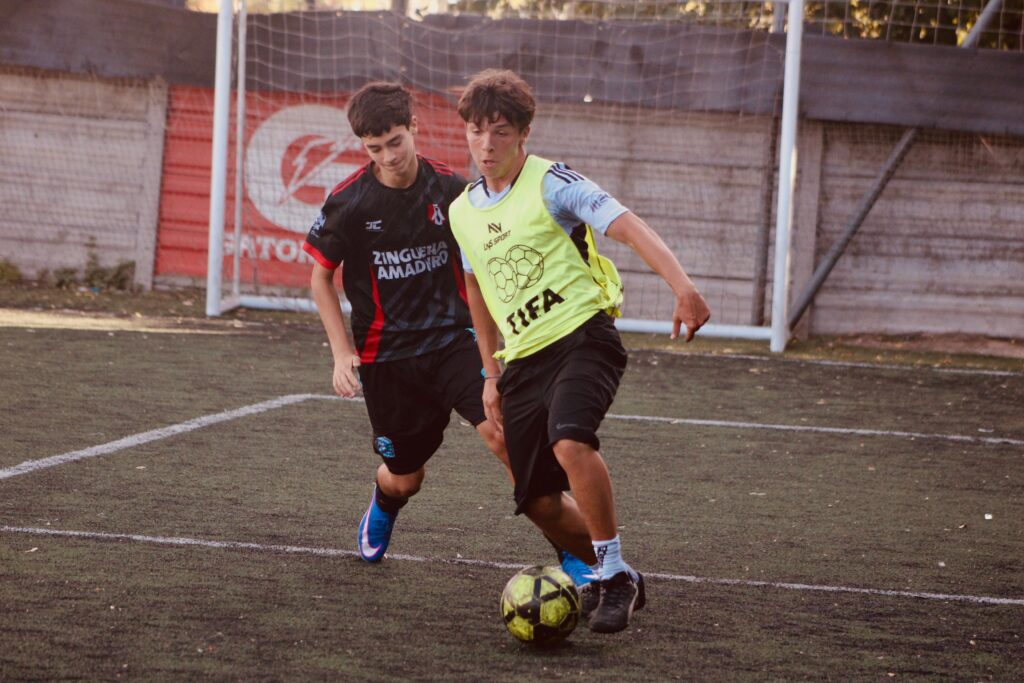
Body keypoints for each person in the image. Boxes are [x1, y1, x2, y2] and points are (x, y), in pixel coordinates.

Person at [449, 69, 711, 633]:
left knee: (570, 440)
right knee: (537, 501)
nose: (486, 145)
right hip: (522, 359)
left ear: (524, 133)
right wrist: (490, 374)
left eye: (500, 131)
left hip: (583, 337)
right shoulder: (462, 211)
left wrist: (683, 286)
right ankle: (618, 571)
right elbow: (476, 290)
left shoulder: (552, 183)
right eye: (476, 131)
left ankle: (612, 577)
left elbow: (627, 226)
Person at [302, 82, 596, 583]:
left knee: (506, 438)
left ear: (414, 127)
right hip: (387, 356)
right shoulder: (349, 202)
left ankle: (572, 548)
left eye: (396, 141)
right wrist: (340, 352)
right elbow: (320, 278)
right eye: (375, 148)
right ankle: (385, 501)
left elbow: (486, 266)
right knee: (404, 478)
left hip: (454, 341)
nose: (389, 156)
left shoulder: (451, 191)